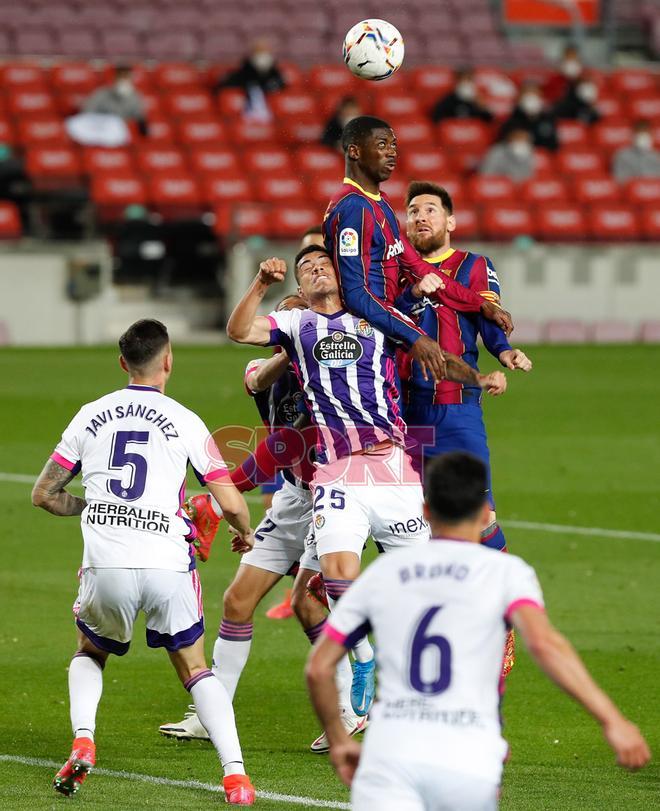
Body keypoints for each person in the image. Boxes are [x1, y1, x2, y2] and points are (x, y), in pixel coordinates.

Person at [226, 247, 506, 719]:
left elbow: (430, 352)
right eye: (306, 269)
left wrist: (477, 376)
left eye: (323, 264)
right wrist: (259, 284)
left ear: (342, 273)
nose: (315, 270)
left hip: (392, 466)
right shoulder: (294, 325)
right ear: (300, 286)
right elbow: (238, 332)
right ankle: (364, 657)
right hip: (336, 470)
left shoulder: (377, 317)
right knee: (335, 575)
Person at [306, 452, 651, 810]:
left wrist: (339, 739)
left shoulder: (381, 575)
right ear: (483, 512)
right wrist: (612, 721)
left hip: (390, 752)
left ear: (425, 511)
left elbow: (318, 668)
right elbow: (546, 646)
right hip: (467, 753)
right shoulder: (505, 573)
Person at [31, 319, 256, 805]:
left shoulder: (90, 415)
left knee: (90, 652)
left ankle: (84, 739)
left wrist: (94, 508)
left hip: (107, 565)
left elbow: (44, 495)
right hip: (168, 563)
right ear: (168, 360)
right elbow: (232, 502)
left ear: (122, 364)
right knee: (195, 668)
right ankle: (235, 776)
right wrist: (245, 533)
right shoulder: (186, 419)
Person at [159, 296, 365, 752]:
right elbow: (257, 382)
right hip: (293, 496)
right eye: (286, 321)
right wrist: (288, 350)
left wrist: (221, 495)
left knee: (308, 604)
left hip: (333, 497)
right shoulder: (265, 368)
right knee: (237, 600)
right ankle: (212, 714)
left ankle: (353, 709)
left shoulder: (335, 373)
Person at [323, 115, 512, 385]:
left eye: (394, 145)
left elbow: (418, 267)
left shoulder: (381, 204)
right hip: (359, 345)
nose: (392, 152)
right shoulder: (354, 208)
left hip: (380, 340)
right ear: (354, 151)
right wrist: (414, 336)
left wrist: (481, 305)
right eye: (382, 144)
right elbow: (355, 293)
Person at [83, 65, 147, 134]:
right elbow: (87, 112)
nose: (123, 80)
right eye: (120, 77)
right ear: (114, 78)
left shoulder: (135, 96)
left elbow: (139, 117)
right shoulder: (101, 93)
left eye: (126, 77)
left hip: (122, 132)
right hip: (101, 129)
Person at [499, 82, 559, 151]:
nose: (531, 98)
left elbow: (554, 146)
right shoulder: (510, 122)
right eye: (527, 95)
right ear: (519, 98)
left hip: (542, 158)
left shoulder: (548, 119)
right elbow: (502, 146)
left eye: (535, 95)